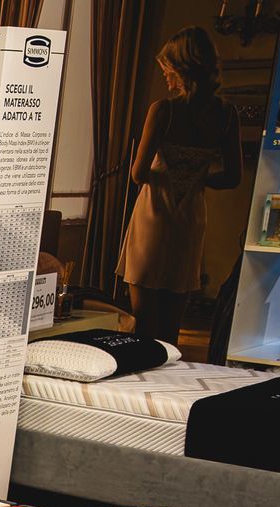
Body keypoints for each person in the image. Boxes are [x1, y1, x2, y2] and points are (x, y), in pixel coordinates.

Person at [115, 27, 242, 343]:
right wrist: (198, 178)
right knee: (172, 325)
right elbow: (233, 177)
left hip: (154, 214)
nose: (165, 76)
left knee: (144, 320)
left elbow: (138, 174)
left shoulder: (164, 110)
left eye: (167, 69)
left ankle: (142, 369)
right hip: (190, 218)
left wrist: (167, 172)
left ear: (182, 69)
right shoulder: (226, 114)